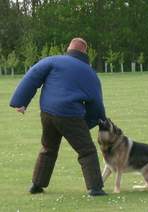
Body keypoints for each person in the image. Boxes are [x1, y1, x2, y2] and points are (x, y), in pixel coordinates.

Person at [10, 38, 107, 196]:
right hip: (71, 115)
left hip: (47, 113)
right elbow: (95, 101)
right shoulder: (89, 72)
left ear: (69, 48)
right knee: (86, 150)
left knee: (48, 148)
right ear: (84, 52)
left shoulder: (52, 60)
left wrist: (20, 102)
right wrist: (95, 121)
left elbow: (31, 77)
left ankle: (36, 185)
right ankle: (95, 188)